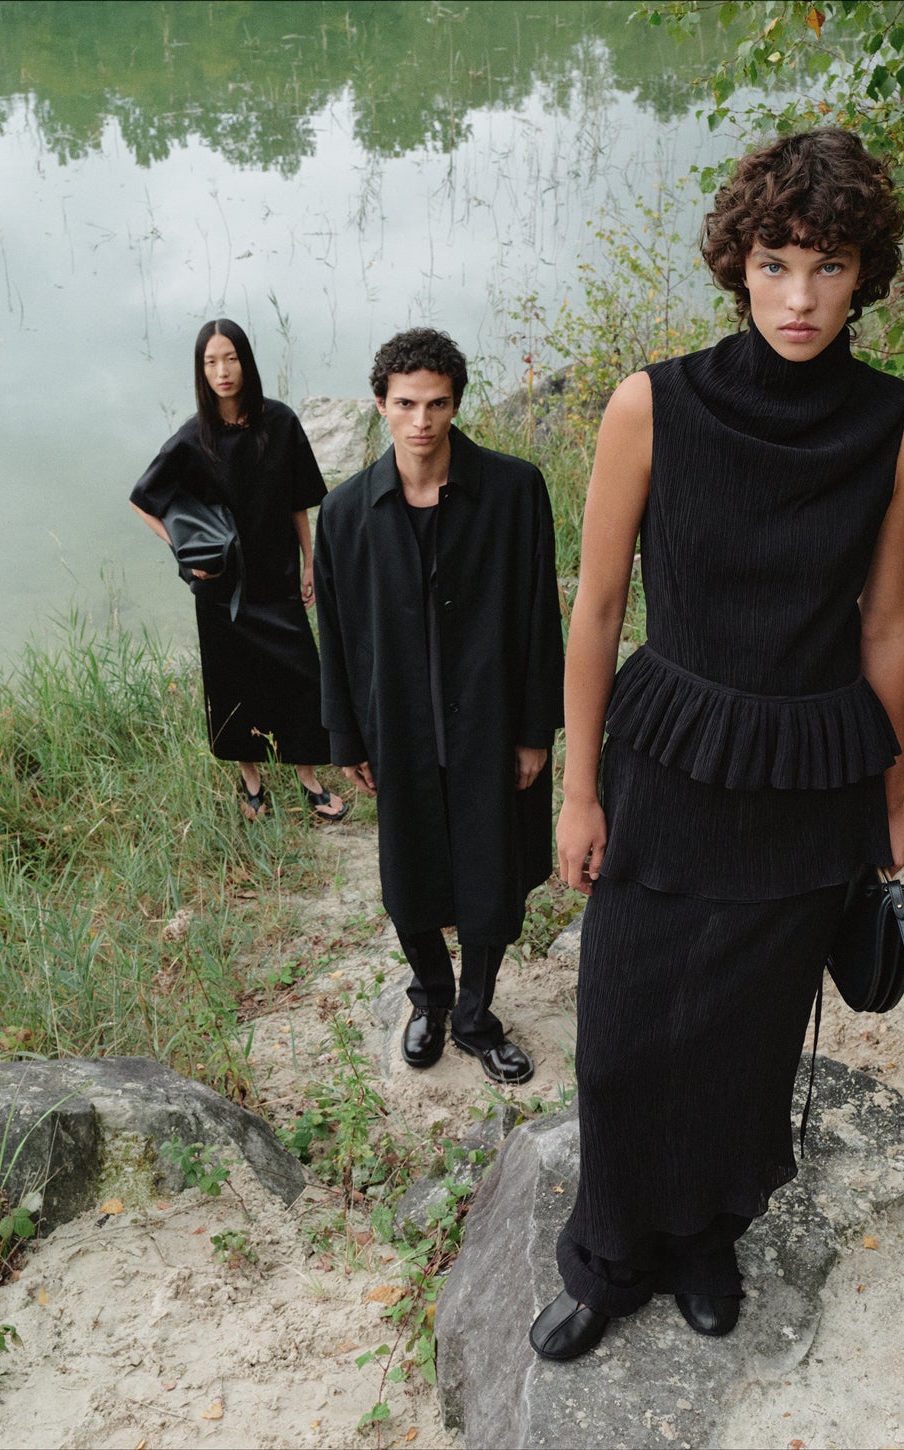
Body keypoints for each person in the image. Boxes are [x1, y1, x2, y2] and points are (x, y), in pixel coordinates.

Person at [531, 128, 904, 1361]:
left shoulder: (901, 423)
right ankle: (609, 1258)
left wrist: (894, 797)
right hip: (671, 751)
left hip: (812, 772)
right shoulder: (652, 404)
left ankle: (709, 1232)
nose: (801, 296)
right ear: (737, 266)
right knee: (624, 1031)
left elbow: (885, 619)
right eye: (776, 263)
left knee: (750, 1035)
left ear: (867, 273)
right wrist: (579, 789)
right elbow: (596, 609)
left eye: (830, 265)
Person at [312, 328, 563, 1084]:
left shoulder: (514, 490)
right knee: (410, 874)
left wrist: (532, 730)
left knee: (492, 872)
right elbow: (337, 634)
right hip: (398, 729)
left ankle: (477, 1015)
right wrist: (345, 737)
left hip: (489, 722)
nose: (421, 421)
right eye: (405, 404)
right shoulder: (347, 513)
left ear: (456, 404)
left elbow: (536, 616)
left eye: (437, 404)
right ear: (380, 406)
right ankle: (429, 998)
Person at [129, 318, 348, 821]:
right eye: (210, 362)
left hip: (276, 577)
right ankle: (251, 781)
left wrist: (310, 561)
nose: (222, 371)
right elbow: (143, 501)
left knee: (299, 676)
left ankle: (308, 778)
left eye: (230, 358)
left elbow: (298, 501)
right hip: (221, 588)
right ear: (200, 371)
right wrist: (185, 551)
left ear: (245, 361)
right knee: (233, 684)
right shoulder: (192, 438)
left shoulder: (281, 421)